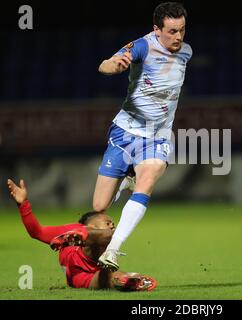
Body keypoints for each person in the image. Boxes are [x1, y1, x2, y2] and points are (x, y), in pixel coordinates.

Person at [93, 2, 193, 271]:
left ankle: (113, 250)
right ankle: (127, 179)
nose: (178, 37)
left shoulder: (186, 52)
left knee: (149, 177)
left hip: (157, 136)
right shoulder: (142, 46)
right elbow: (106, 64)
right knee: (99, 206)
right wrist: (115, 66)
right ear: (156, 29)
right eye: (171, 31)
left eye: (182, 30)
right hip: (124, 132)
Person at [7, 178, 157, 291]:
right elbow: (36, 232)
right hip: (76, 265)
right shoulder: (71, 228)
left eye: (112, 224)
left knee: (107, 281)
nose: (112, 224)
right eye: (108, 221)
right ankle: (84, 235)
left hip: (83, 276)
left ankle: (129, 281)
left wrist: (123, 278)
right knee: (109, 236)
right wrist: (23, 203)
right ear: (90, 222)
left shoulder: (107, 239)